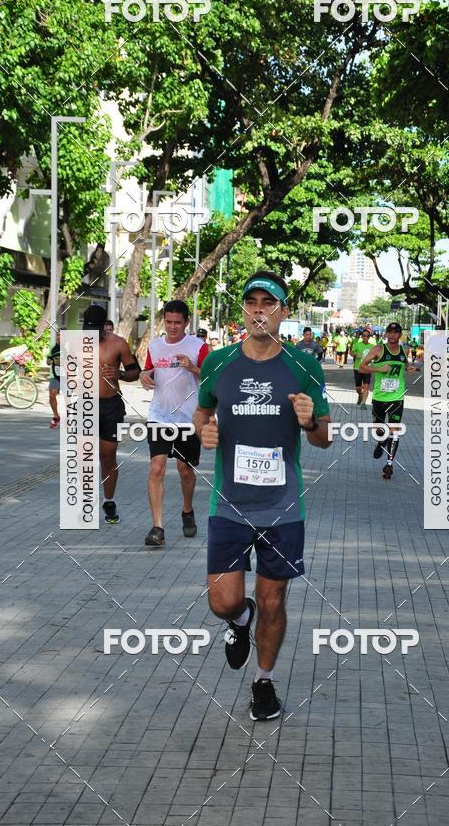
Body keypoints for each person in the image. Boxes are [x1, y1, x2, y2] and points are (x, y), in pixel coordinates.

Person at [194, 270, 331, 721]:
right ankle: (238, 621)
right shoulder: (218, 362)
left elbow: (322, 441)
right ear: (243, 311)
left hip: (283, 508)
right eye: (251, 302)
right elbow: (202, 411)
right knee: (223, 601)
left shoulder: (303, 365)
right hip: (229, 505)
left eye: (268, 303)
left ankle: (264, 682)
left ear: (283, 312)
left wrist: (311, 421)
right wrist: (204, 431)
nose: (259, 310)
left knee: (275, 600)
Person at [140, 300, 209, 547]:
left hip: (187, 418)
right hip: (159, 415)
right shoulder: (155, 346)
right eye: (168, 322)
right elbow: (148, 371)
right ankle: (157, 527)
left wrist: (192, 367)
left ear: (186, 322)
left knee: (184, 470)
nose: (172, 327)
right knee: (156, 468)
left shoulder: (198, 346)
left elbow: (212, 376)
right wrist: (143, 376)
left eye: (177, 323)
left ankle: (187, 510)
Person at [82, 304, 141, 524]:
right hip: (84, 405)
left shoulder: (118, 344)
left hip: (111, 407)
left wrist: (119, 374)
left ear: (104, 328)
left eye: (95, 330)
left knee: (107, 457)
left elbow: (136, 372)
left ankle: (109, 500)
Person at [360, 321, 419, 480]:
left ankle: (389, 465)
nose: (393, 335)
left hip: (397, 397)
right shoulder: (378, 349)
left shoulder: (403, 350)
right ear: (386, 334)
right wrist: (378, 369)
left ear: (400, 335)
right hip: (379, 397)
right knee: (379, 431)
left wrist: (409, 369)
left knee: (394, 430)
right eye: (390, 332)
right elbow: (362, 367)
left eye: (396, 332)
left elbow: (404, 365)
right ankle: (381, 441)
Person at [351, 328, 374, 408]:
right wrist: (355, 355)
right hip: (358, 368)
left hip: (367, 369)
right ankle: (360, 396)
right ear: (361, 336)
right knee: (358, 388)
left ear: (369, 337)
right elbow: (351, 352)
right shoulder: (357, 344)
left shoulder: (372, 346)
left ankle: (363, 403)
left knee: (366, 386)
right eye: (364, 336)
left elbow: (377, 355)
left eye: (367, 336)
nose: (365, 337)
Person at [47, 330, 61, 428]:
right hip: (55, 375)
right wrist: (50, 361)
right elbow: (48, 361)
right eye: (58, 335)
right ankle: (56, 416)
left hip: (67, 376)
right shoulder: (52, 347)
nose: (59, 337)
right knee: (52, 395)